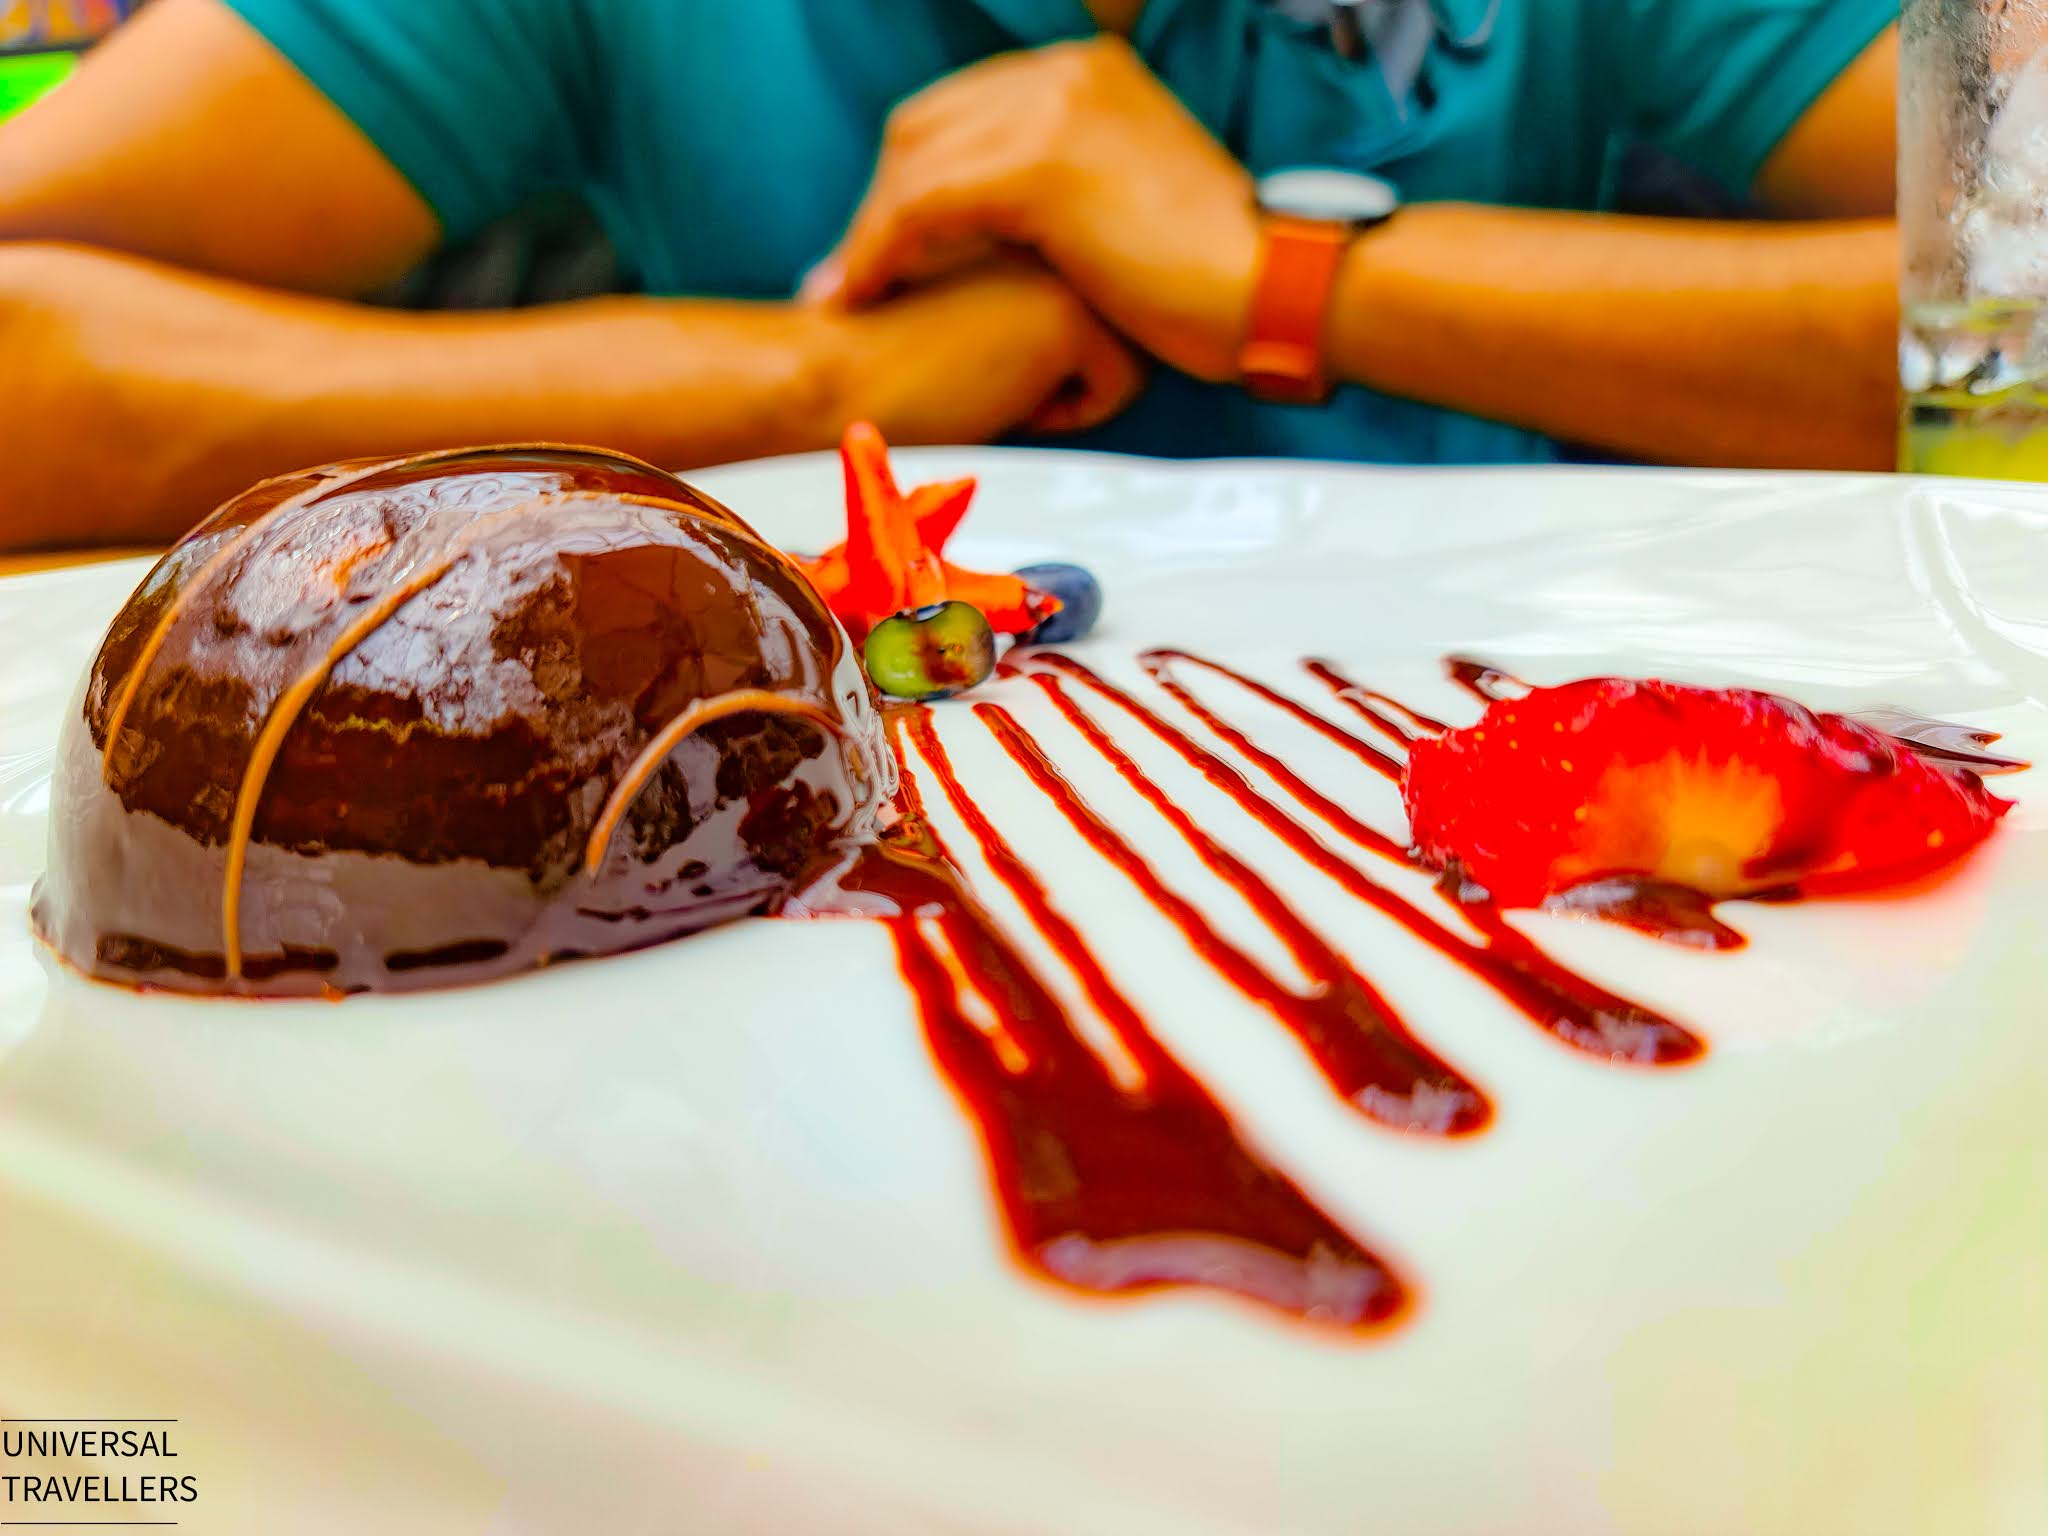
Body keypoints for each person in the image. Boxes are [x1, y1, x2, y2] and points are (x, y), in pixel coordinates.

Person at [0, 0, 1895, 550]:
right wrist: (812, 394)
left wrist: (1271, 276)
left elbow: (2023, 311)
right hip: (800, 919)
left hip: (1519, 921)